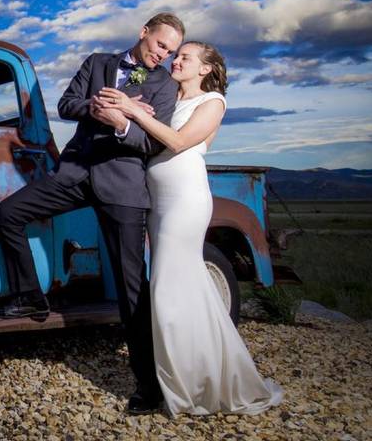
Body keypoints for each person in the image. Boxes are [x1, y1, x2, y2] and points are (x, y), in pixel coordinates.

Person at [0, 12, 185, 415]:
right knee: (6, 215)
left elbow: (151, 144)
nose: (163, 56)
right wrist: (95, 109)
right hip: (76, 173)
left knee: (132, 290)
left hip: (124, 187)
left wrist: (123, 121)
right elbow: (65, 105)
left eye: (171, 51)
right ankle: (30, 297)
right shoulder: (98, 63)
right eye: (160, 45)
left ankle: (149, 387)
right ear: (143, 32)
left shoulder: (164, 85)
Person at [93, 41, 283, 416]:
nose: (176, 60)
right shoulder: (166, 97)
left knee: (167, 287)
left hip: (185, 200)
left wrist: (131, 109)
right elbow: (144, 140)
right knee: (185, 288)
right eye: (176, 55)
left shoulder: (212, 104)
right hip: (159, 201)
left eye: (185, 57)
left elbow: (178, 141)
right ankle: (189, 375)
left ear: (206, 69)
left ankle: (192, 383)